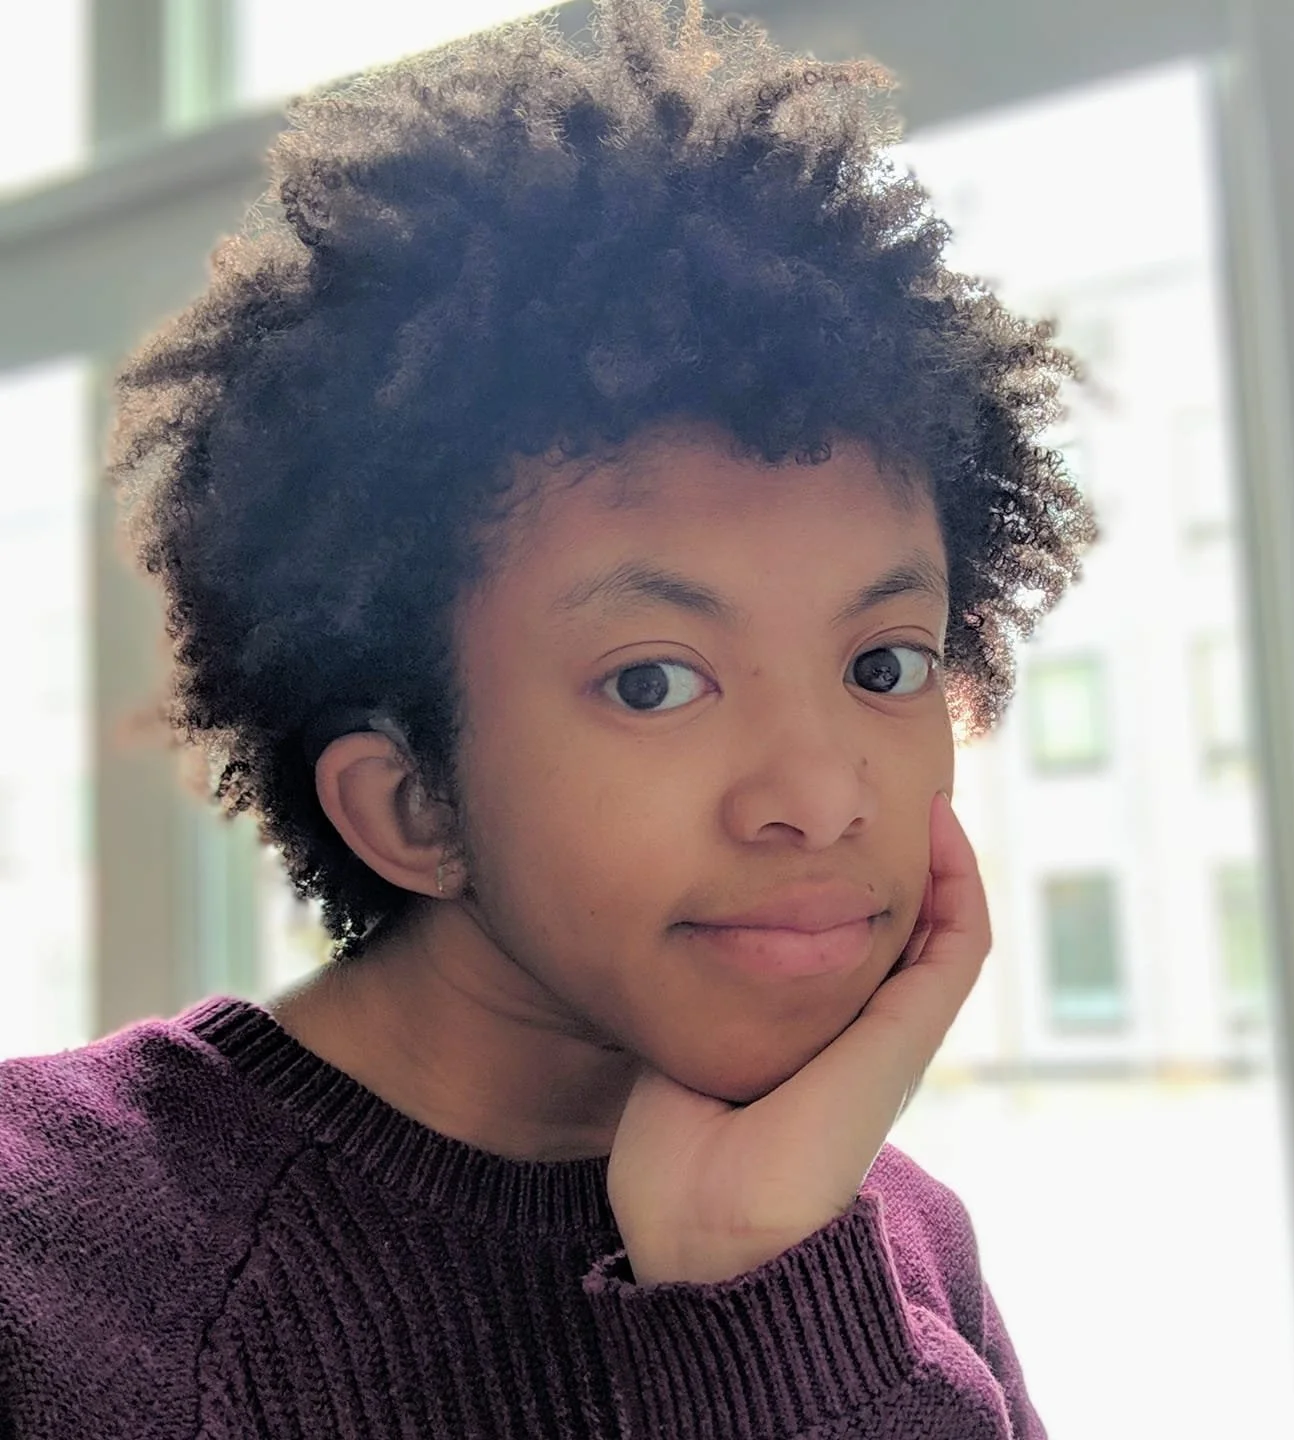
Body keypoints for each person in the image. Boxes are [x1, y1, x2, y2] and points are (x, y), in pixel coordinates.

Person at [0, 1, 1096, 1434]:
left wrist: (762, 1286)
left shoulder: (883, 1247)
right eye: (656, 681)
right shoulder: (45, 1263)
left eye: (884, 664)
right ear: (412, 805)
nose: (825, 796)